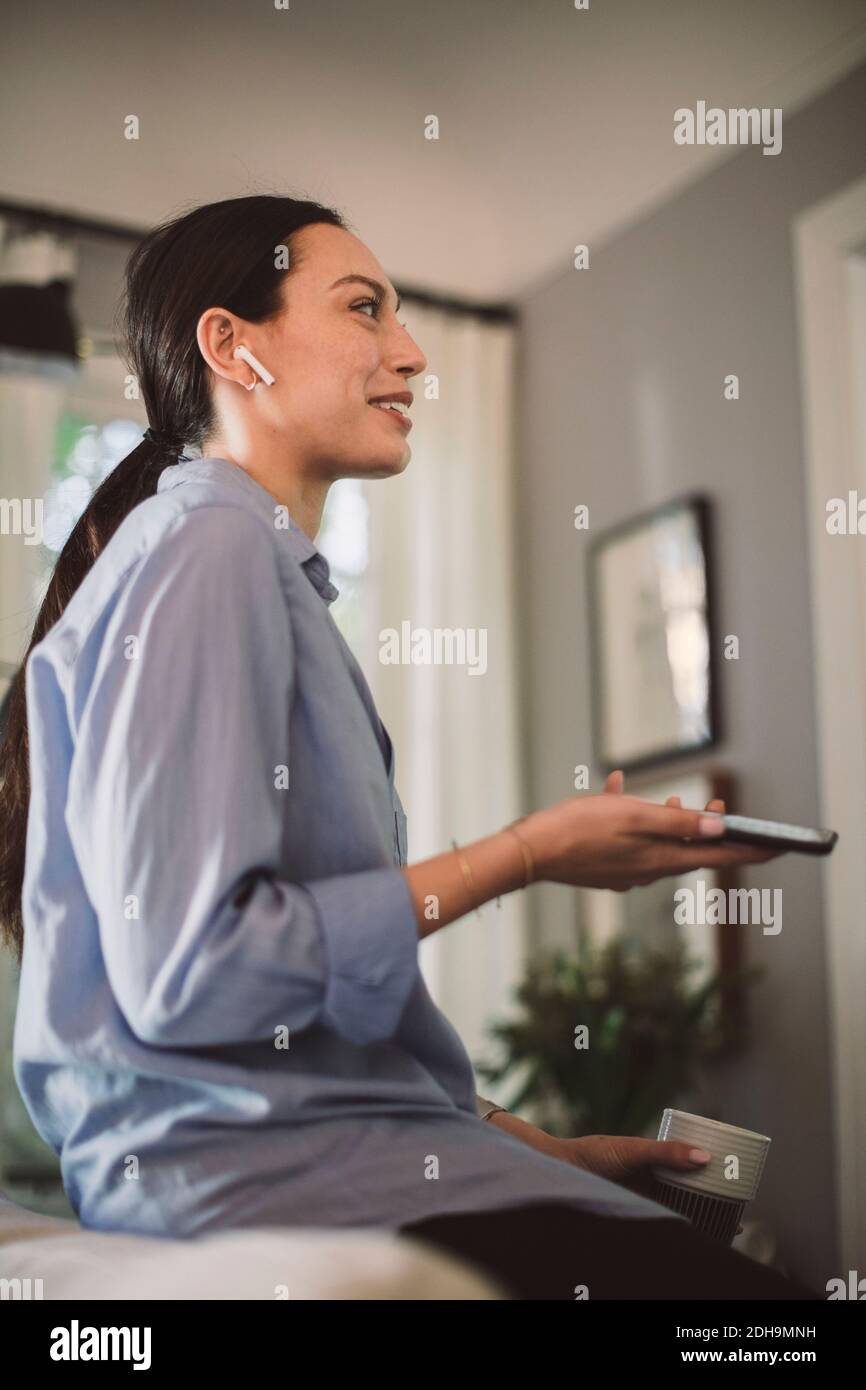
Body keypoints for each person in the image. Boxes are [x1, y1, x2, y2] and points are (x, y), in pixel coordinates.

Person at [0, 195, 813, 1299]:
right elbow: (199, 975)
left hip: (350, 1167)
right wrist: (529, 850)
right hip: (278, 1187)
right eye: (363, 308)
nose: (412, 352)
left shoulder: (252, 572)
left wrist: (538, 1152)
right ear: (232, 347)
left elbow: (311, 1038)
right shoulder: (207, 548)